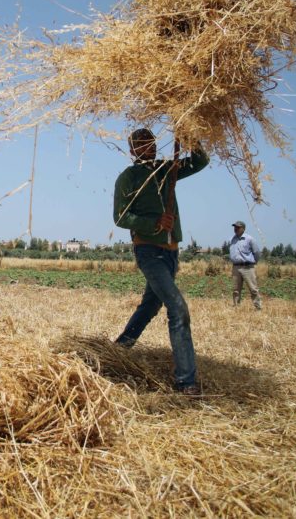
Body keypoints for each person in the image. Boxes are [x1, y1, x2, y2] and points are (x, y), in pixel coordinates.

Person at [112, 128, 209, 396]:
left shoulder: (167, 171)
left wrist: (189, 136)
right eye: (141, 144)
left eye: (151, 142)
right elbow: (120, 217)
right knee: (178, 308)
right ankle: (186, 381)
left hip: (171, 253)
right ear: (132, 151)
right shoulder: (129, 177)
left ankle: (118, 349)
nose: (148, 147)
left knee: (150, 306)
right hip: (149, 252)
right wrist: (153, 223)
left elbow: (200, 161)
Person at [229, 220, 262, 309]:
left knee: (253, 289)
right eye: (235, 227)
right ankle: (236, 307)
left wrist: (253, 262)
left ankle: (258, 307)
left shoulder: (249, 239)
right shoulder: (233, 239)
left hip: (248, 267)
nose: (235, 229)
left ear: (243, 228)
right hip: (236, 267)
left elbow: (257, 252)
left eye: (238, 227)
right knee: (236, 290)